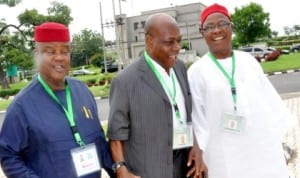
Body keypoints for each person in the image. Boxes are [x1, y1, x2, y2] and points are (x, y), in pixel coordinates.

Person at [188, 3, 296, 178]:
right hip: (222, 153)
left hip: (260, 146)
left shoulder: (248, 61)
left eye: (222, 24)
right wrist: (199, 152)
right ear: (202, 33)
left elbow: (269, 103)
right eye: (209, 27)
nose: (216, 31)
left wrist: (279, 144)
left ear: (232, 27)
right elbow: (195, 118)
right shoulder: (196, 71)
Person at [0, 22, 115, 178]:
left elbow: (99, 141)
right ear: (37, 54)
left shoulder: (82, 91)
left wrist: (117, 170)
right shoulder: (21, 106)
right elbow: (8, 156)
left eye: (65, 51)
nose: (59, 57)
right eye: (50, 51)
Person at [107, 13, 206, 178]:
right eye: (169, 42)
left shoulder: (180, 68)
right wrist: (121, 169)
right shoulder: (125, 81)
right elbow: (116, 134)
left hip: (186, 165)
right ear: (149, 41)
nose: (176, 48)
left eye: (179, 41)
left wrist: (195, 146)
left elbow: (185, 115)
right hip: (150, 170)